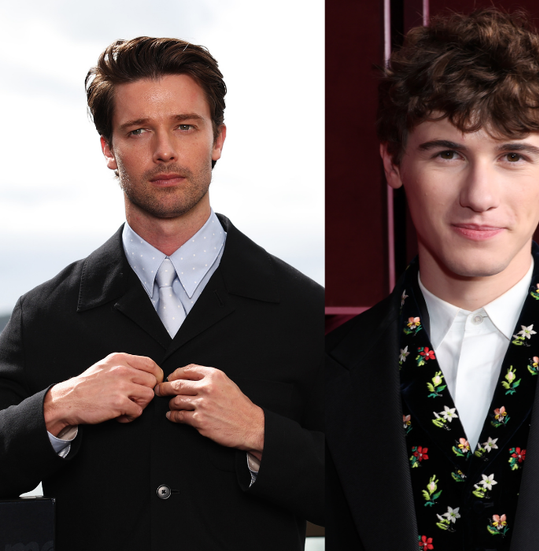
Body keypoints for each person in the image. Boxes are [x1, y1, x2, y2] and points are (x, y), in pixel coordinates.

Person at [324, 9, 539, 551]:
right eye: (448, 153)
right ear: (393, 163)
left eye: (513, 156)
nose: (480, 195)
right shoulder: (329, 369)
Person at [0, 37, 324, 549]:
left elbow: (366, 490)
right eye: (138, 130)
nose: (165, 150)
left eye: (185, 126)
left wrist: (261, 433)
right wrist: (56, 408)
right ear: (109, 148)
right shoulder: (41, 315)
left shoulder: (305, 312)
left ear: (218, 140)